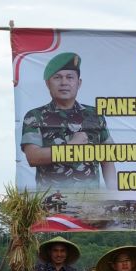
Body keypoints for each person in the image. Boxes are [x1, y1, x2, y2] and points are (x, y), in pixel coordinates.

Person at [21, 52, 116, 190]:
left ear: (79, 83)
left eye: (70, 77)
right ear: (48, 83)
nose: (64, 82)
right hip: (51, 204)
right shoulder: (35, 116)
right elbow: (33, 157)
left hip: (91, 205)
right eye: (57, 77)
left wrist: (114, 195)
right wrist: (69, 147)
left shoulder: (95, 115)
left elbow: (107, 159)